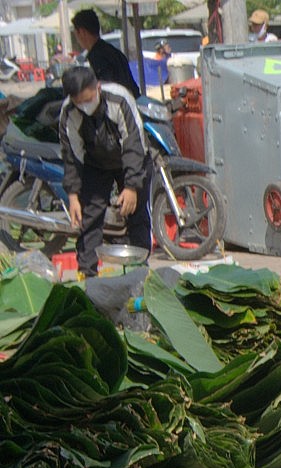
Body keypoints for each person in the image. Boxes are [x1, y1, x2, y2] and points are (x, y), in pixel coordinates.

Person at [58, 67, 152, 278]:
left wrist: (131, 187)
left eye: (88, 99)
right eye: (79, 102)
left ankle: (141, 272)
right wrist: (73, 196)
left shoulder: (119, 99)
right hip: (95, 164)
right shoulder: (69, 113)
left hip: (131, 161)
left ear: (98, 87)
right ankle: (87, 275)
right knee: (89, 217)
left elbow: (133, 144)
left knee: (136, 215)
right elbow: (72, 155)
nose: (85, 106)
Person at [71, 9, 140, 98]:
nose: (77, 39)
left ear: (82, 32)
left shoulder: (97, 56)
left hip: (119, 105)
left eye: (76, 33)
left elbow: (107, 88)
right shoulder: (110, 50)